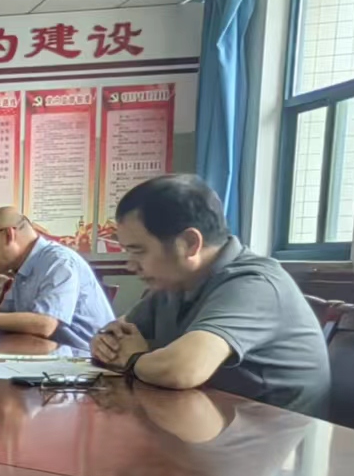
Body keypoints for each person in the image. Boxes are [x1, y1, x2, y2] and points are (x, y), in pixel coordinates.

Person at [90, 175, 329, 416]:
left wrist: (133, 358)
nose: (131, 265)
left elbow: (182, 370)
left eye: (138, 251)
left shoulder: (254, 284)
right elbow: (118, 336)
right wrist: (106, 343)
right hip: (208, 424)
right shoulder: (174, 284)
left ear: (189, 243)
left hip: (275, 432)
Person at [0, 208, 114, 351]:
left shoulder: (58, 262)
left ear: (9, 234)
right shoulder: (24, 265)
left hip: (84, 364)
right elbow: (8, 313)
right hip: (50, 356)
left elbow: (45, 325)